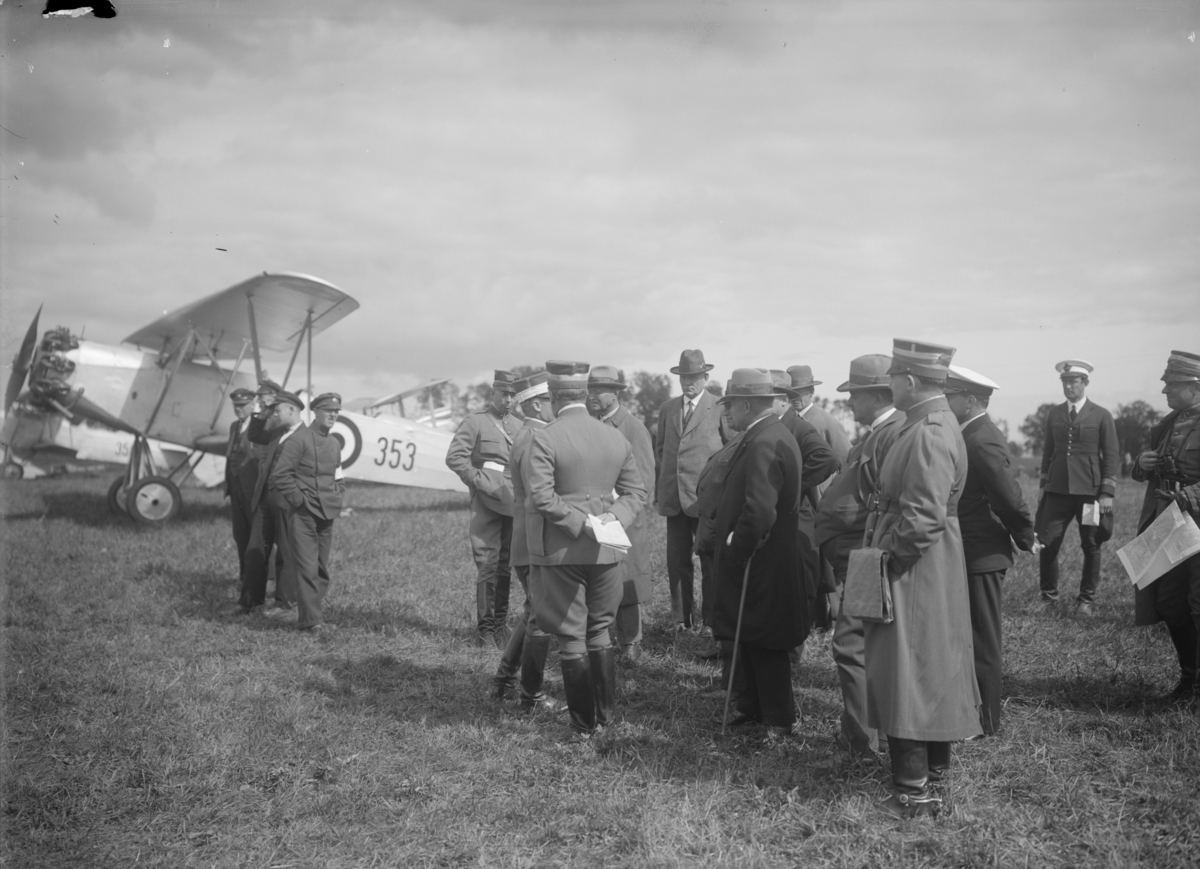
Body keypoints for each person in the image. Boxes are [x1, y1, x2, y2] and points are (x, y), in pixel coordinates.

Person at [864, 339, 981, 819]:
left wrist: (888, 562)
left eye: (892, 376)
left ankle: (913, 795)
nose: (888, 383)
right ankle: (930, 780)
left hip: (915, 567)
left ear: (909, 381)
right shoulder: (926, 424)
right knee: (924, 668)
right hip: (923, 564)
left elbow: (924, 517)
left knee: (908, 671)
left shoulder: (929, 431)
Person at [525, 361, 647, 737]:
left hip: (564, 551)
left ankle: (582, 726)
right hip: (608, 549)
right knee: (600, 631)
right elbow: (637, 492)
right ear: (584, 393)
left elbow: (542, 497)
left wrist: (580, 525)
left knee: (571, 635)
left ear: (554, 396)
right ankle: (606, 718)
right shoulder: (614, 436)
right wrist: (609, 521)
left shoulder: (544, 437)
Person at [704, 369, 805, 739]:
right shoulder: (765, 433)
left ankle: (778, 720)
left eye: (730, 404)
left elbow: (760, 510)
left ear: (746, 404)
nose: (728, 411)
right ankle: (754, 707)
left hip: (760, 560)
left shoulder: (765, 439)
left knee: (765, 639)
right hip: (759, 559)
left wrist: (737, 546)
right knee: (749, 633)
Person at [813, 354, 905, 757]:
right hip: (861, 554)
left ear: (879, 394)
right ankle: (878, 736)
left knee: (850, 644)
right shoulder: (880, 433)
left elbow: (883, 501)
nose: (850, 401)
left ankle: (863, 744)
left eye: (856, 394)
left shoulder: (891, 434)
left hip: (869, 555)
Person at [944, 365, 1037, 736]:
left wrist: (1024, 534)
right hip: (968, 549)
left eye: (951, 397)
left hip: (981, 553)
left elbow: (1008, 497)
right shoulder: (969, 433)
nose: (946, 402)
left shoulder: (982, 438)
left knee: (982, 640)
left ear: (970, 401)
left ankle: (986, 722)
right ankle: (971, 713)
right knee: (968, 635)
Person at [1131, 350, 1200, 703]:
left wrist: (1190, 495)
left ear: (1196, 386)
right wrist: (1141, 464)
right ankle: (1189, 680)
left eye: (1173, 385)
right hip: (1171, 525)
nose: (1165, 392)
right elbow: (1149, 468)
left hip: (1197, 525)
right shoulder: (1169, 423)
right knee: (1171, 603)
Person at [492, 372, 561, 710]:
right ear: (537, 403)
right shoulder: (535, 437)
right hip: (535, 542)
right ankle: (530, 695)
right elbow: (541, 496)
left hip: (528, 541)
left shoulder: (529, 434)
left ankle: (504, 679)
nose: (556, 406)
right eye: (551, 400)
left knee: (533, 610)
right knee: (540, 616)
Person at [1035, 359, 1119, 617]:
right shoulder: (1055, 414)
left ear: (1085, 383)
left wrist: (1106, 492)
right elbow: (1048, 451)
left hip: (1090, 494)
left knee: (1091, 545)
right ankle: (1049, 599)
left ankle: (1085, 601)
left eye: (1074, 381)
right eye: (1065, 381)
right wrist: (1043, 485)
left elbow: (1112, 454)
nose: (1069, 386)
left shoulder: (1102, 414)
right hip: (1058, 490)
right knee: (1047, 543)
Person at [445, 370, 523, 646]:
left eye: (513, 395)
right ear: (492, 393)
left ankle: (500, 624)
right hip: (487, 502)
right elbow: (455, 457)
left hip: (513, 501)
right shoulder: (476, 422)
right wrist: (479, 481)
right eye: (504, 394)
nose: (509, 399)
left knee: (506, 564)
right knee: (488, 563)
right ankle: (486, 629)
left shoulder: (519, 425)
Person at [655, 349, 728, 631]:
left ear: (705, 377)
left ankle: (711, 620)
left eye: (695, 377)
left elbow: (730, 449)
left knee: (709, 560)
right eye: (684, 377)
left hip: (707, 500)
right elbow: (662, 450)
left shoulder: (719, 406)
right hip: (674, 499)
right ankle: (681, 619)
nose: (689, 382)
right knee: (677, 561)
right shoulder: (668, 409)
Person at [588, 365, 656, 662]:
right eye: (589, 389)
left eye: (598, 390)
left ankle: (631, 641)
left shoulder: (633, 427)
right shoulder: (588, 424)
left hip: (622, 518)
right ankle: (599, 636)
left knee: (626, 580)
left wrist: (615, 510)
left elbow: (643, 480)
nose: (591, 396)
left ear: (615, 394)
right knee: (598, 577)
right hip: (593, 518)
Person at [270, 392, 346, 634]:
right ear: (316, 412)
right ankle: (311, 621)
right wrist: (299, 500)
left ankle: (313, 613)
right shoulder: (299, 440)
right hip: (303, 514)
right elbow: (280, 475)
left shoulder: (334, 443)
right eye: (328, 411)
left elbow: (338, 476)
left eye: (336, 411)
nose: (333, 415)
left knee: (321, 568)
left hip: (327, 513)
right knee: (306, 567)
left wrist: (336, 495)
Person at [770, 370, 839, 634]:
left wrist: (794, 486)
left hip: (799, 515)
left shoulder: (798, 426)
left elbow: (830, 458)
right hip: (785, 515)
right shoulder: (779, 424)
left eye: (771, 398)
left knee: (803, 577)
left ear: (785, 401)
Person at [241, 385, 300, 614]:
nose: (274, 414)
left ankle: (283, 603)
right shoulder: (277, 432)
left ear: (292, 410)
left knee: (286, 552)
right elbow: (255, 435)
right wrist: (265, 412)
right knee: (255, 549)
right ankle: (249, 601)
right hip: (265, 500)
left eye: (278, 410)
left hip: (287, 501)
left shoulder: (305, 434)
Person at [785, 365, 852, 475]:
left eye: (799, 393)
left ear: (811, 391)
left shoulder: (828, 422)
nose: (794, 398)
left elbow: (846, 460)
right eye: (791, 393)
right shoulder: (788, 421)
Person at [224, 387, 258, 577]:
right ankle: (245, 575)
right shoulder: (233, 427)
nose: (239, 409)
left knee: (257, 535)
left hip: (252, 488)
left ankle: (263, 577)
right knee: (240, 533)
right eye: (236, 405)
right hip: (236, 487)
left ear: (253, 404)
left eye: (243, 405)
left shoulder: (260, 426)